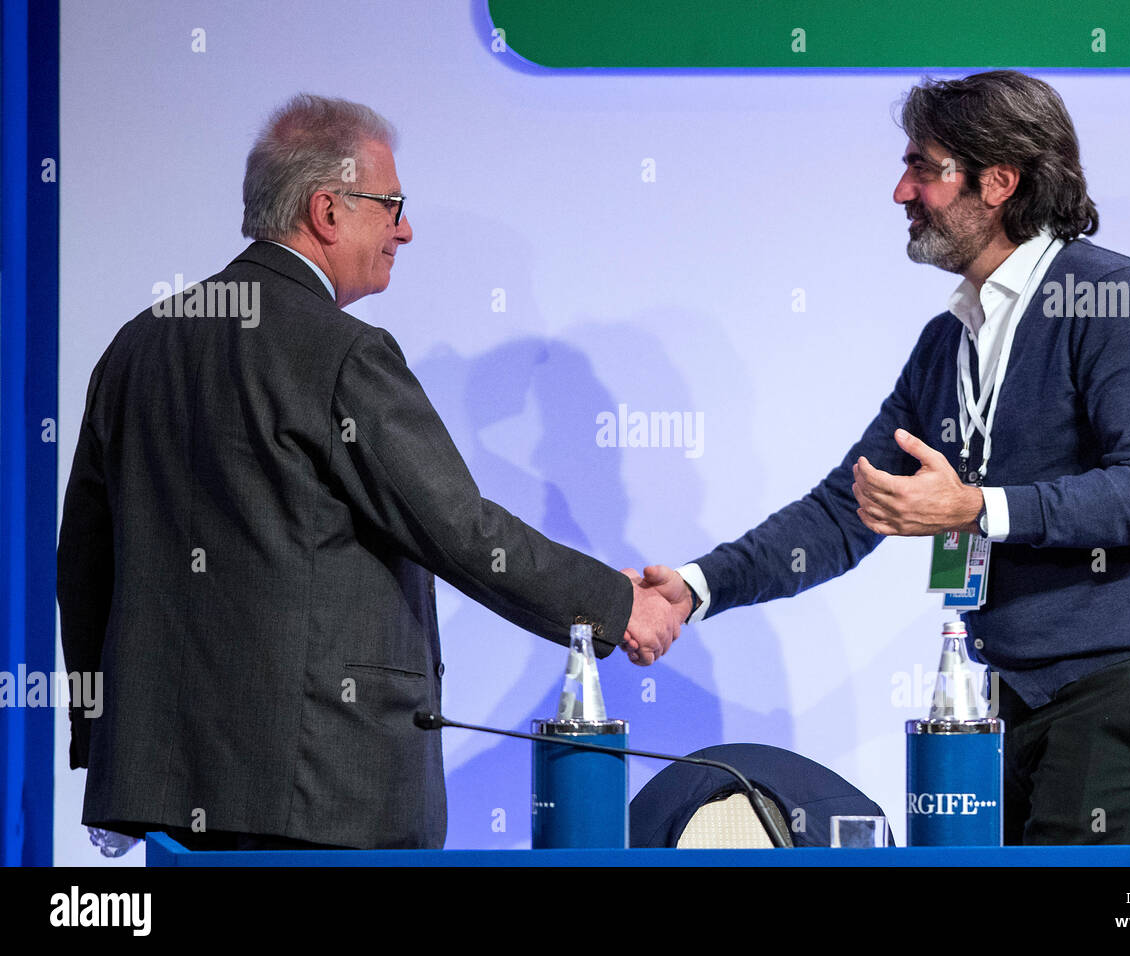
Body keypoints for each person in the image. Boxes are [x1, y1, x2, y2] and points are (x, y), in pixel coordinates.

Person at [56, 93, 679, 852]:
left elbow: (83, 565)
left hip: (161, 796)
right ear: (327, 210)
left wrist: (108, 743)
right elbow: (458, 528)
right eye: (392, 206)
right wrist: (616, 604)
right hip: (325, 796)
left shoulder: (136, 347)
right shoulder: (342, 353)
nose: (405, 229)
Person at [636, 71, 1130, 845]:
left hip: (1129, 680)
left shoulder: (1117, 299)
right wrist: (697, 588)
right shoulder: (949, 341)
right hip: (1019, 689)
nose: (901, 191)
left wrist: (977, 507)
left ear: (1000, 181)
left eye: (923, 167)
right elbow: (848, 507)